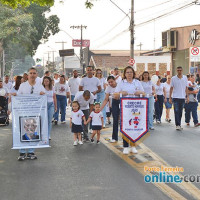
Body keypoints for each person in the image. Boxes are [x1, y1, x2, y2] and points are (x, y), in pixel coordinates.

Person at [114, 66, 145, 154]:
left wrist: (140, 93)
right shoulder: (121, 83)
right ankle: (125, 146)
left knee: (134, 126)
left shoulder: (137, 82)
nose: (129, 74)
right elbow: (115, 95)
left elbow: (144, 93)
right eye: (127, 72)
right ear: (124, 74)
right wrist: (121, 93)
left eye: (131, 72)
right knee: (125, 127)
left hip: (135, 108)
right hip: (125, 108)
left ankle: (133, 145)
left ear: (133, 73)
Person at [17, 67, 46, 161]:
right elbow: (18, 97)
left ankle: (30, 152)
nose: (32, 75)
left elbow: (44, 99)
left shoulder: (40, 86)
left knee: (32, 131)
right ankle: (21, 152)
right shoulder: (23, 86)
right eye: (31, 73)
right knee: (23, 130)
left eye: (34, 73)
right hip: (24, 112)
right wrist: (14, 96)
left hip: (35, 113)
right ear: (28, 75)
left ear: (37, 75)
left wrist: (43, 94)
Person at [169, 66, 189, 130]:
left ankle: (179, 124)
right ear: (176, 71)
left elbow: (186, 88)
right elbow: (171, 88)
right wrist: (170, 97)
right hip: (175, 97)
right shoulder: (173, 78)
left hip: (182, 97)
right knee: (176, 111)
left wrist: (187, 97)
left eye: (180, 70)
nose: (179, 71)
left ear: (182, 70)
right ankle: (177, 125)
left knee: (180, 112)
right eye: (178, 70)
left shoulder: (185, 78)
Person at [100, 76, 118, 142]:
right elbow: (106, 99)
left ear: (115, 80)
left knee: (123, 121)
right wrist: (100, 108)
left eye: (112, 82)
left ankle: (126, 138)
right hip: (114, 103)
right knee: (115, 120)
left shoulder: (119, 85)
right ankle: (114, 138)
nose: (110, 83)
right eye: (109, 82)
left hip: (122, 102)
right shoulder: (108, 88)